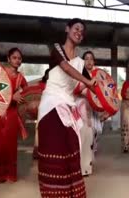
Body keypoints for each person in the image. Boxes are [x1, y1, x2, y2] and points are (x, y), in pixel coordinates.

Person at [37, 18, 95, 198]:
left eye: (82, 31)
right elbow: (66, 68)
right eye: (76, 28)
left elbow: (94, 86)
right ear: (67, 29)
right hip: (51, 103)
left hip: (68, 105)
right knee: (54, 147)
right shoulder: (57, 49)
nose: (79, 32)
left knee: (71, 146)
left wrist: (105, 102)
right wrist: (88, 81)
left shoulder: (80, 62)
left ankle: (71, 192)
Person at [0, 47, 28, 184]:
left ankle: (7, 175)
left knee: (9, 145)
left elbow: (26, 94)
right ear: (8, 59)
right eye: (14, 57)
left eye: (19, 58)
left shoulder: (21, 78)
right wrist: (11, 96)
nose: (17, 60)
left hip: (12, 114)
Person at [76, 50, 106, 176]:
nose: (89, 61)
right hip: (82, 108)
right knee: (84, 136)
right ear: (83, 61)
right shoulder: (78, 74)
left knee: (93, 137)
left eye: (91, 59)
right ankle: (83, 167)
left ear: (94, 62)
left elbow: (104, 94)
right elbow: (76, 90)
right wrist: (87, 86)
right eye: (86, 58)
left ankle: (88, 164)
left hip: (94, 110)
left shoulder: (98, 76)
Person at [33, 68, 49, 160]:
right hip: (41, 108)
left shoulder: (54, 85)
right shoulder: (39, 85)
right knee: (39, 129)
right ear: (45, 75)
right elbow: (34, 95)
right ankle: (37, 152)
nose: (49, 76)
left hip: (51, 108)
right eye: (48, 74)